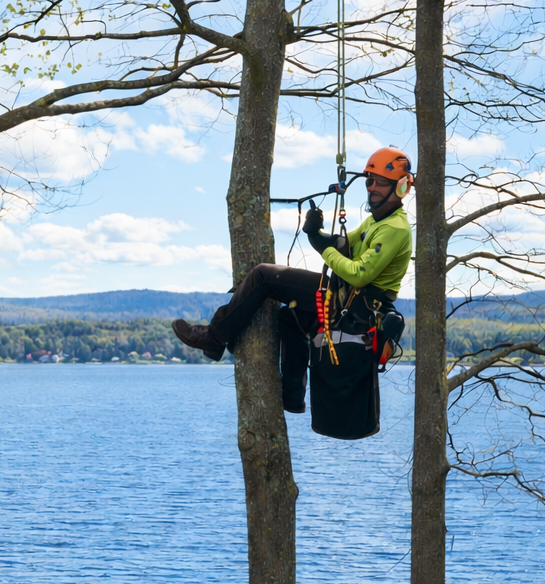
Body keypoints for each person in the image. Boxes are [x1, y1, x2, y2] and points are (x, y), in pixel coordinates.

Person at [172, 148, 414, 418]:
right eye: (370, 181)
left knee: (264, 275)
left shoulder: (395, 228)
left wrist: (326, 250)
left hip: (355, 306)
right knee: (291, 318)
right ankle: (293, 396)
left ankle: (214, 337)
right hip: (346, 300)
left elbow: (358, 274)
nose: (372, 188)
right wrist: (316, 234)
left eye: (380, 182)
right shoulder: (376, 221)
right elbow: (345, 246)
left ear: (401, 187)